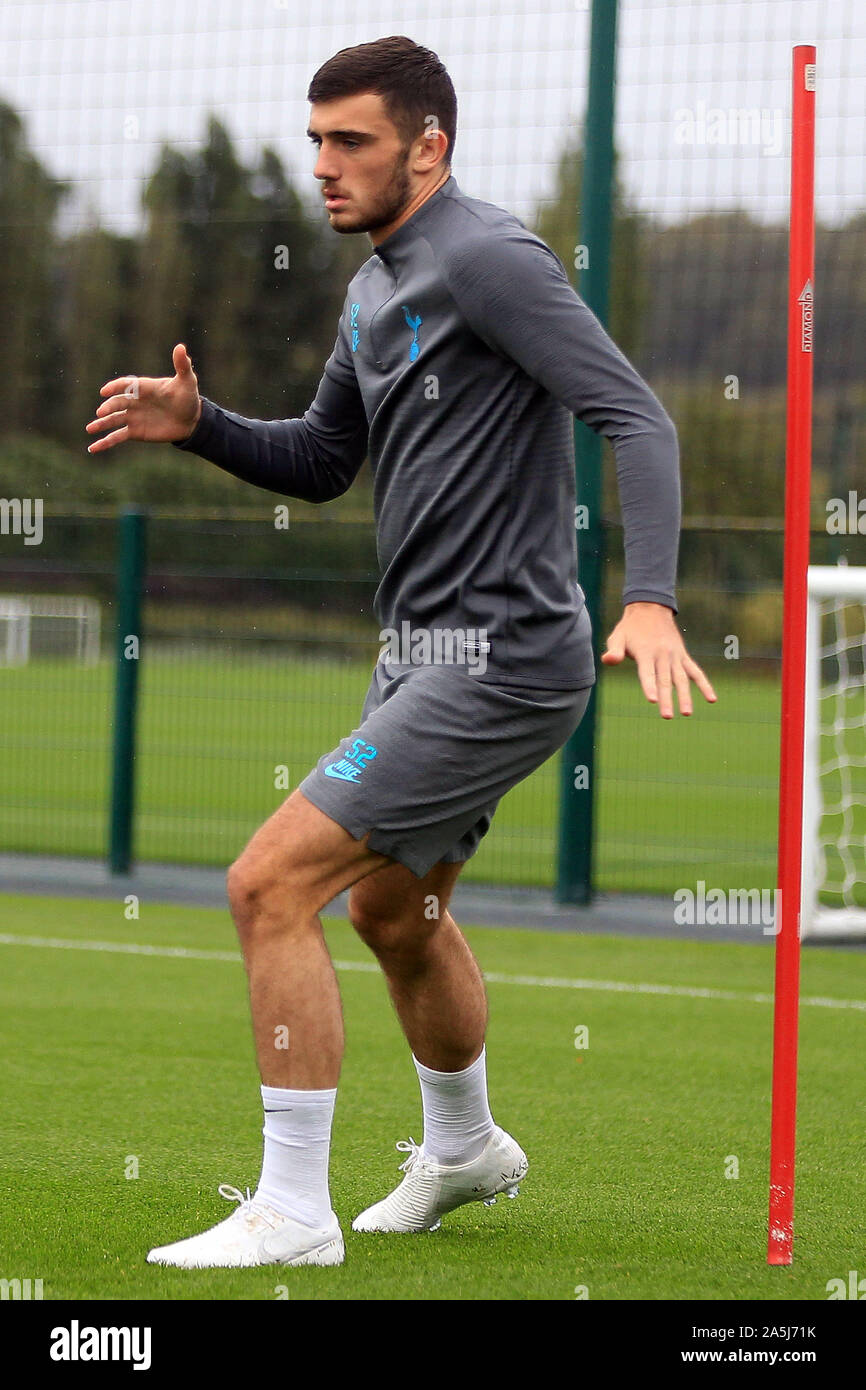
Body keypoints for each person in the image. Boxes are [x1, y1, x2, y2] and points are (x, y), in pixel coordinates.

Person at [86, 35, 715, 1270]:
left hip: (502, 655)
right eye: (314, 139)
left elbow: (633, 414)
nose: (322, 165)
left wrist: (652, 599)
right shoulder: (373, 287)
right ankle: (465, 1148)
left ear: (428, 146)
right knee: (392, 910)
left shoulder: (487, 257)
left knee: (267, 882)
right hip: (418, 653)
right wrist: (200, 425)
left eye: (351, 141)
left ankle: (292, 1211)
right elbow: (323, 461)